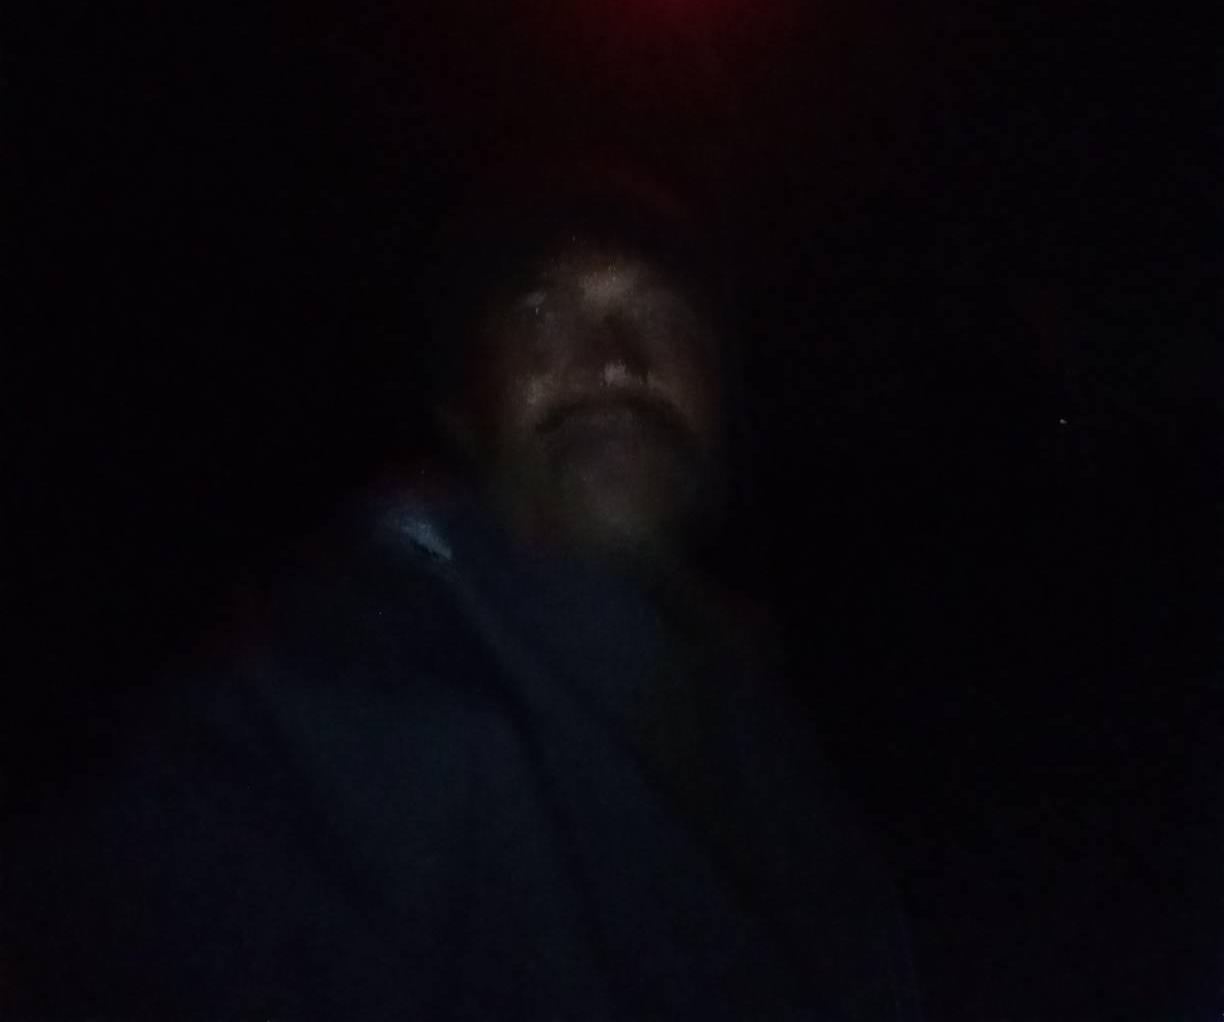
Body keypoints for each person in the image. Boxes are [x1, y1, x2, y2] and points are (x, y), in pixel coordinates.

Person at [5, 150, 922, 1021]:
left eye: (667, 322)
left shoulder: (780, 709)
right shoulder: (337, 701)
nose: (615, 357)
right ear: (463, 413)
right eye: (545, 320)